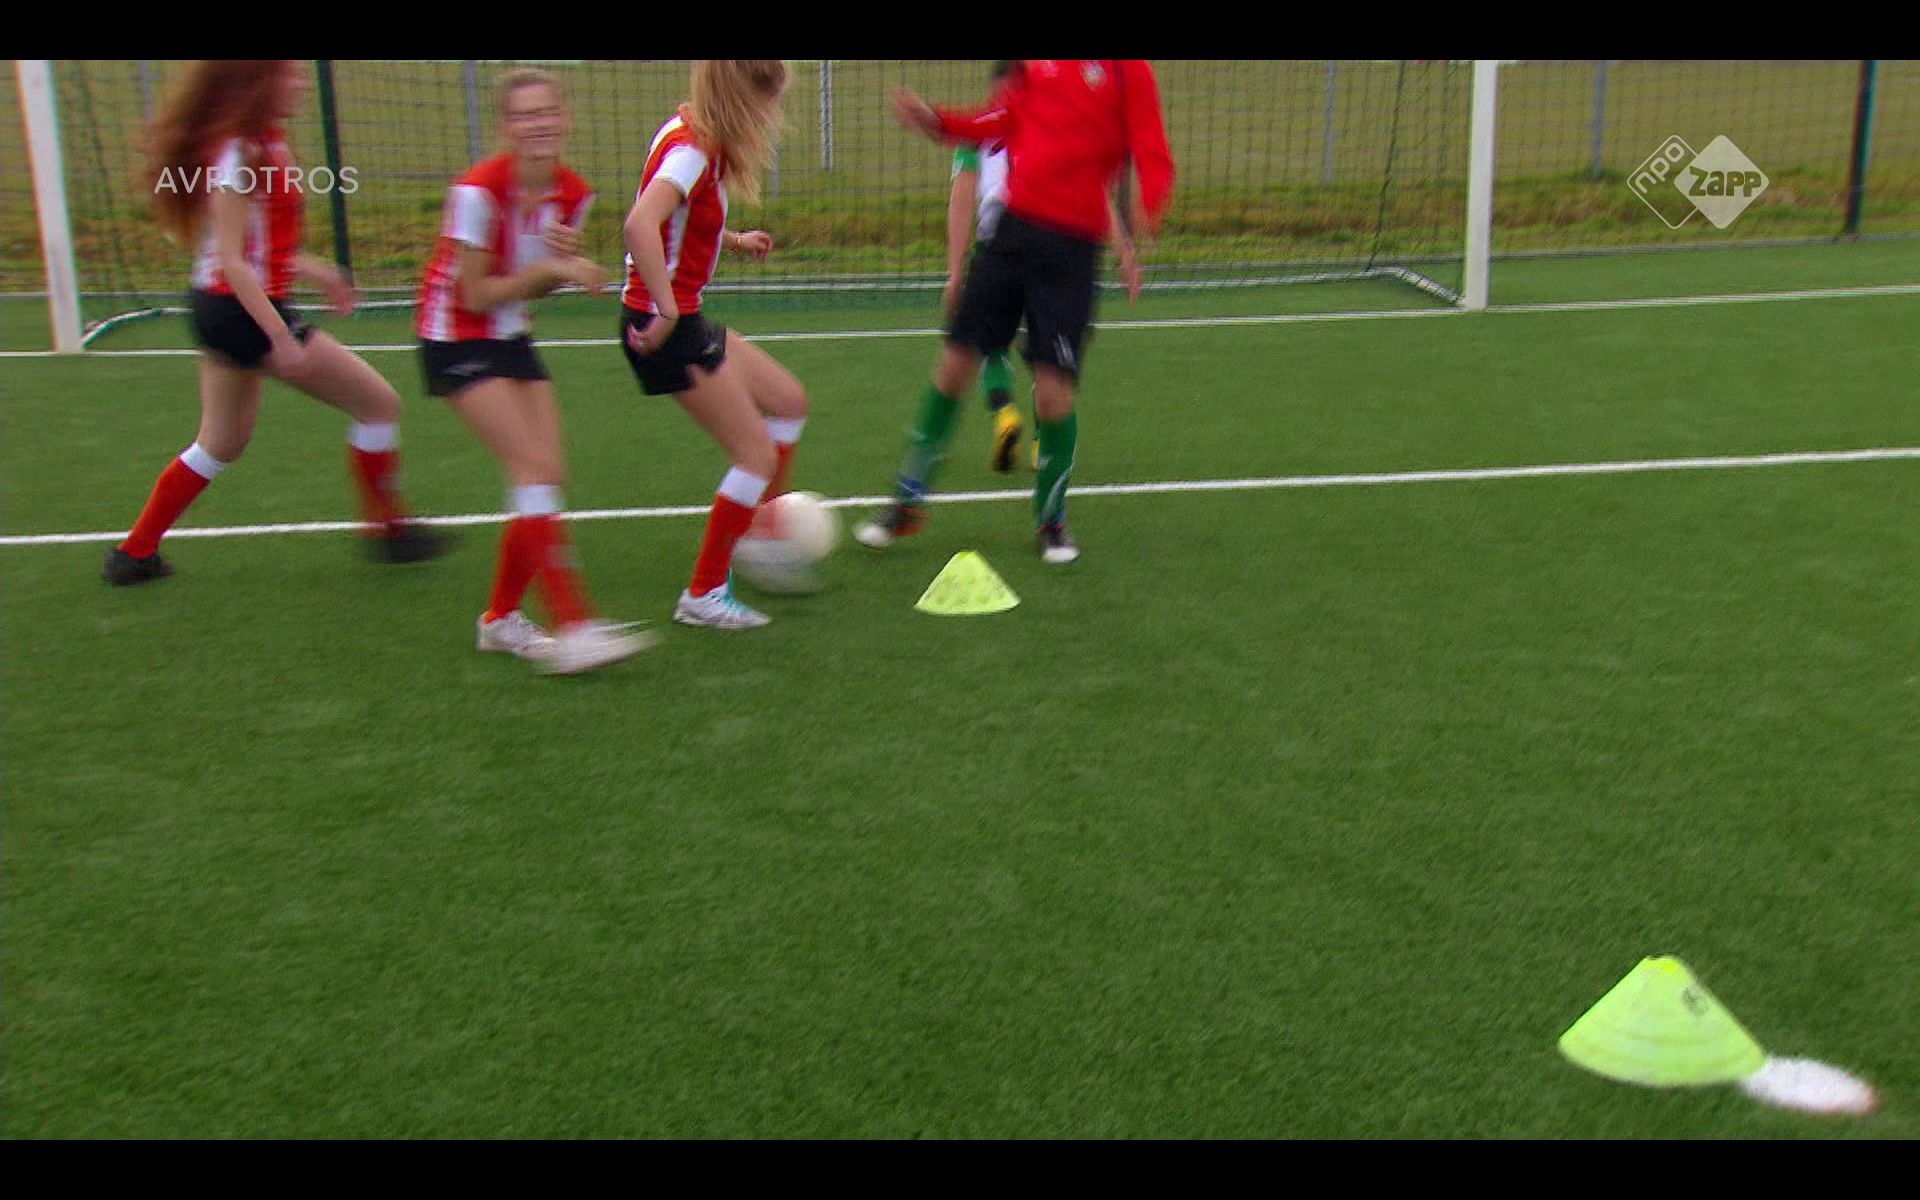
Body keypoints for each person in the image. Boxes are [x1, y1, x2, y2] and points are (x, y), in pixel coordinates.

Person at [107, 59, 445, 587]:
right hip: (237, 309)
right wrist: (279, 334)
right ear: (257, 83)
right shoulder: (241, 152)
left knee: (220, 444)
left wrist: (320, 273)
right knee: (378, 404)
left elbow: (256, 249)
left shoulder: (264, 143)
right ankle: (389, 530)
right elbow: (234, 261)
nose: (300, 83)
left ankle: (134, 553)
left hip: (221, 308)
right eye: (290, 74)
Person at [855, 60, 1173, 565]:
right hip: (1012, 234)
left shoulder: (1127, 70)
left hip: (1070, 254)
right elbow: (1001, 118)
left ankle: (1052, 521)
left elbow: (1150, 143)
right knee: (955, 363)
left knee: (1052, 393)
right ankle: (907, 501)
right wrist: (938, 121)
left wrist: (1150, 199)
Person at [416, 68, 655, 674]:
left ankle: (500, 621)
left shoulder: (574, 193)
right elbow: (473, 295)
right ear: (506, 127)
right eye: (525, 115)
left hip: (510, 335)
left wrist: (555, 268)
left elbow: (530, 290)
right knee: (531, 468)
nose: (539, 124)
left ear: (565, 118)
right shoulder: (476, 193)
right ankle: (573, 625)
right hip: (453, 335)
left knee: (547, 472)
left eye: (548, 112)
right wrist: (552, 270)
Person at [620, 60, 812, 629]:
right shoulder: (694, 149)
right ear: (739, 96)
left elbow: (678, 219)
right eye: (767, 100)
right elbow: (639, 225)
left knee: (788, 402)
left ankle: (754, 533)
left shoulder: (693, 131)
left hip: (679, 317)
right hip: (662, 326)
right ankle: (703, 595)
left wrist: (732, 238)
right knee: (754, 455)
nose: (771, 114)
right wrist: (666, 307)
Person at [944, 61, 1144, 474]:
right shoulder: (1057, 124)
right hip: (1058, 244)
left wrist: (955, 271)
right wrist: (1124, 248)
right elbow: (1094, 190)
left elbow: (961, 199)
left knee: (987, 343)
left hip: (999, 243)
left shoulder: (979, 133)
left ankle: (1004, 412)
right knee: (1048, 357)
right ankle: (1041, 440)